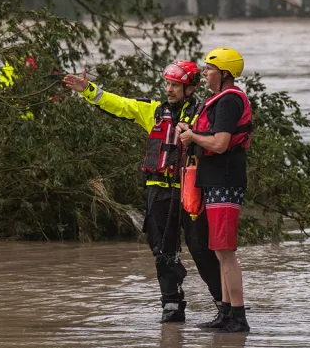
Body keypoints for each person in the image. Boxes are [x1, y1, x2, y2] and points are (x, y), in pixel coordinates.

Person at [62, 61, 223, 324]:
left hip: (191, 191)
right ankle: (171, 303)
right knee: (162, 250)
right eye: (168, 84)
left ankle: (223, 303)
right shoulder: (153, 111)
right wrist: (87, 90)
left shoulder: (203, 114)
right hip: (158, 189)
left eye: (175, 85)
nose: (169, 89)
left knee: (201, 249)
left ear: (190, 88)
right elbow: (118, 104)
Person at [176, 47, 253, 333]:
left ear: (224, 74)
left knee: (225, 251)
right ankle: (225, 313)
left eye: (209, 69)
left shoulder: (229, 101)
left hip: (225, 181)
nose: (204, 74)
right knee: (218, 250)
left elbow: (220, 143)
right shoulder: (219, 101)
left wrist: (192, 135)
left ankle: (237, 316)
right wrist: (192, 132)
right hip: (215, 181)